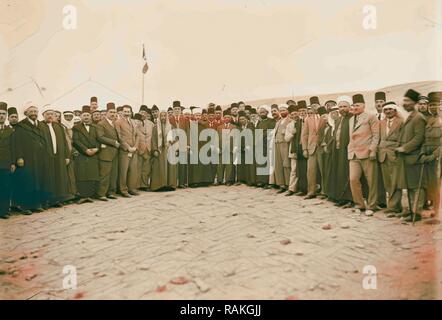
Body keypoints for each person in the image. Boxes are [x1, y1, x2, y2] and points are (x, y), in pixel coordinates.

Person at [395, 89, 427, 222]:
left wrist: (404, 148)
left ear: (414, 102)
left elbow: (419, 138)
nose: (405, 103)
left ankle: (417, 213)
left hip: (414, 156)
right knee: (408, 185)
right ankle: (411, 211)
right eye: (404, 100)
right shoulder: (410, 115)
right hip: (406, 157)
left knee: (416, 187)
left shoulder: (418, 117)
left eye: (407, 101)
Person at [348, 94, 380, 215]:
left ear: (364, 105)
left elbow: (376, 135)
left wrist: (373, 150)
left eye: (357, 105)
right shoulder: (351, 119)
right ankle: (359, 204)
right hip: (353, 154)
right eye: (354, 105)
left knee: (371, 180)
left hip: (367, 153)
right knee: (353, 179)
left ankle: (372, 205)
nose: (355, 107)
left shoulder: (371, 117)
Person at [13, 102, 48, 214]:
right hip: (26, 158)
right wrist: (19, 157)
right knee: (27, 181)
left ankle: (36, 204)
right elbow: (17, 142)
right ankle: (25, 206)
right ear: (26, 113)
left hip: (39, 158)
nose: (33, 113)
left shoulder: (41, 125)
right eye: (31, 111)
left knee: (38, 180)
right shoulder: (21, 125)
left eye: (35, 111)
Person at [39, 105, 71, 207]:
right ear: (43, 115)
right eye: (47, 114)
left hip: (59, 156)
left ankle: (56, 199)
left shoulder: (58, 126)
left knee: (58, 178)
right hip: (46, 157)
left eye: (51, 114)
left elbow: (65, 143)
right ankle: (46, 200)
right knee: (47, 178)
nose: (50, 116)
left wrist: (66, 156)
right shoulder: (40, 126)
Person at [377, 102, 404, 216]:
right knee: (387, 181)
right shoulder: (381, 123)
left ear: (395, 110)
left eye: (390, 109)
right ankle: (393, 206)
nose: (388, 111)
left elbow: (404, 138)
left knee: (395, 181)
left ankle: (395, 207)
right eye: (386, 110)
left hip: (395, 154)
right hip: (383, 155)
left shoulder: (401, 122)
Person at [328, 96, 353, 206]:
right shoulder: (338, 119)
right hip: (338, 150)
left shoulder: (352, 118)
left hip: (347, 150)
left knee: (347, 174)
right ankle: (340, 197)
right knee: (338, 173)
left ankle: (349, 199)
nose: (342, 109)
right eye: (340, 107)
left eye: (345, 106)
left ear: (349, 107)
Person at [72, 106, 100, 203]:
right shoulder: (76, 128)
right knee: (82, 175)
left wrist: (96, 148)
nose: (86, 117)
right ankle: (82, 196)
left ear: (91, 116)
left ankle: (89, 195)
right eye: (84, 115)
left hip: (94, 154)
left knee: (91, 175)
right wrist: (85, 150)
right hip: (82, 154)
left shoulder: (95, 127)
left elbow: (99, 139)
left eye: (88, 115)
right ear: (81, 116)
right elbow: (76, 141)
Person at [420, 92, 442, 217]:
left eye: (437, 104)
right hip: (428, 156)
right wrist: (423, 153)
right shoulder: (429, 119)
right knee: (430, 182)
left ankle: (437, 212)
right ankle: (434, 208)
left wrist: (434, 155)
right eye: (432, 105)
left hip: (438, 156)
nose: (434, 107)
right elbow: (425, 139)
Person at [301, 100, 327, 199]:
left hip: (322, 147)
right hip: (311, 148)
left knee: (323, 170)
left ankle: (325, 191)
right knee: (310, 171)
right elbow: (304, 135)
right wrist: (304, 148)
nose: (314, 107)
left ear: (319, 105)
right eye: (313, 106)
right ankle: (311, 191)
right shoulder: (308, 119)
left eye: (316, 105)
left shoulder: (324, 117)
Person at [96, 103, 120, 200]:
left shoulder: (114, 124)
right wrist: (114, 142)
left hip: (115, 153)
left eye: (114, 112)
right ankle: (101, 193)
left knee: (113, 174)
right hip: (105, 153)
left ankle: (111, 192)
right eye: (111, 112)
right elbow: (100, 137)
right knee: (104, 175)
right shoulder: (101, 124)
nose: (113, 114)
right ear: (106, 113)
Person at [115, 105, 140, 197]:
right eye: (125, 112)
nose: (126, 113)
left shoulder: (133, 122)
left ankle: (132, 188)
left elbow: (137, 135)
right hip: (124, 150)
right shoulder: (118, 122)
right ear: (122, 112)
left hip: (134, 150)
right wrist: (127, 147)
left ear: (131, 112)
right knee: (123, 171)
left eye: (128, 112)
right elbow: (119, 137)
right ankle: (123, 190)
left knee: (133, 170)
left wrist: (135, 147)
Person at [150, 111, 178, 191]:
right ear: (159, 117)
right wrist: (155, 149)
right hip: (159, 151)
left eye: (164, 116)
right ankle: (159, 186)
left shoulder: (171, 127)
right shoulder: (155, 127)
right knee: (159, 168)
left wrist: (171, 142)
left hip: (168, 150)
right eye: (161, 116)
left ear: (166, 117)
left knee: (169, 169)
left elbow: (176, 138)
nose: (163, 118)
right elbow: (153, 140)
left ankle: (169, 185)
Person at [169, 101, 190, 188]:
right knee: (173, 164)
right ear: (173, 110)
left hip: (183, 143)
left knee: (182, 163)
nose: (177, 110)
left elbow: (188, 132)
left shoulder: (184, 119)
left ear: (181, 110)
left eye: (178, 109)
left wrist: (188, 144)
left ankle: (181, 183)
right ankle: (173, 182)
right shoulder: (169, 119)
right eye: (175, 109)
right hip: (173, 143)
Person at [0, 103, 15, 219]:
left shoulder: (10, 130)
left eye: (3, 114)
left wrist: (13, 162)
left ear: (6, 116)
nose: (1, 116)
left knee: (5, 187)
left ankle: (4, 211)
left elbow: (14, 148)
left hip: (5, 163)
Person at [255, 105, 276, 188]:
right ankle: (260, 181)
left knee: (267, 163)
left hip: (267, 144)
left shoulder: (271, 121)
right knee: (260, 163)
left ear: (267, 112)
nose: (262, 113)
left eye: (263, 112)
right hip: (259, 145)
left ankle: (267, 181)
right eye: (260, 112)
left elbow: (270, 132)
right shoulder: (259, 122)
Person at [274, 104, 291, 193]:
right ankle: (281, 184)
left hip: (285, 144)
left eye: (284, 110)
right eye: (280, 111)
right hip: (277, 143)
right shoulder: (278, 122)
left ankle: (288, 184)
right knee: (278, 164)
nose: (282, 112)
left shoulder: (290, 121)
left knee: (286, 164)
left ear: (287, 111)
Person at [136, 109, 154, 191]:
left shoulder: (151, 124)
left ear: (147, 114)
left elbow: (153, 137)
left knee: (146, 169)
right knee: (137, 168)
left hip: (148, 148)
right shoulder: (135, 122)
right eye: (141, 112)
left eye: (144, 113)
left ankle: (144, 185)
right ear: (139, 113)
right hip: (139, 148)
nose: (143, 114)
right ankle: (136, 185)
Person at [216, 109, 236, 185]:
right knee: (220, 165)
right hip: (221, 149)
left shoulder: (233, 127)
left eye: (228, 117)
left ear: (230, 118)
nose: (227, 119)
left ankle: (228, 180)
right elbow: (216, 138)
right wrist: (217, 147)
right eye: (225, 117)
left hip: (230, 149)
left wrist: (235, 147)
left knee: (229, 165)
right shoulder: (219, 127)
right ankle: (219, 180)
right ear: (223, 118)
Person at [284, 104, 300, 196]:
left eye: (296, 113)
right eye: (292, 114)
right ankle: (292, 188)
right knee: (294, 170)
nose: (295, 115)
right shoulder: (290, 125)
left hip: (303, 149)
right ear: (290, 115)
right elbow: (286, 138)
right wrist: (292, 134)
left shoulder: (303, 122)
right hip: (293, 150)